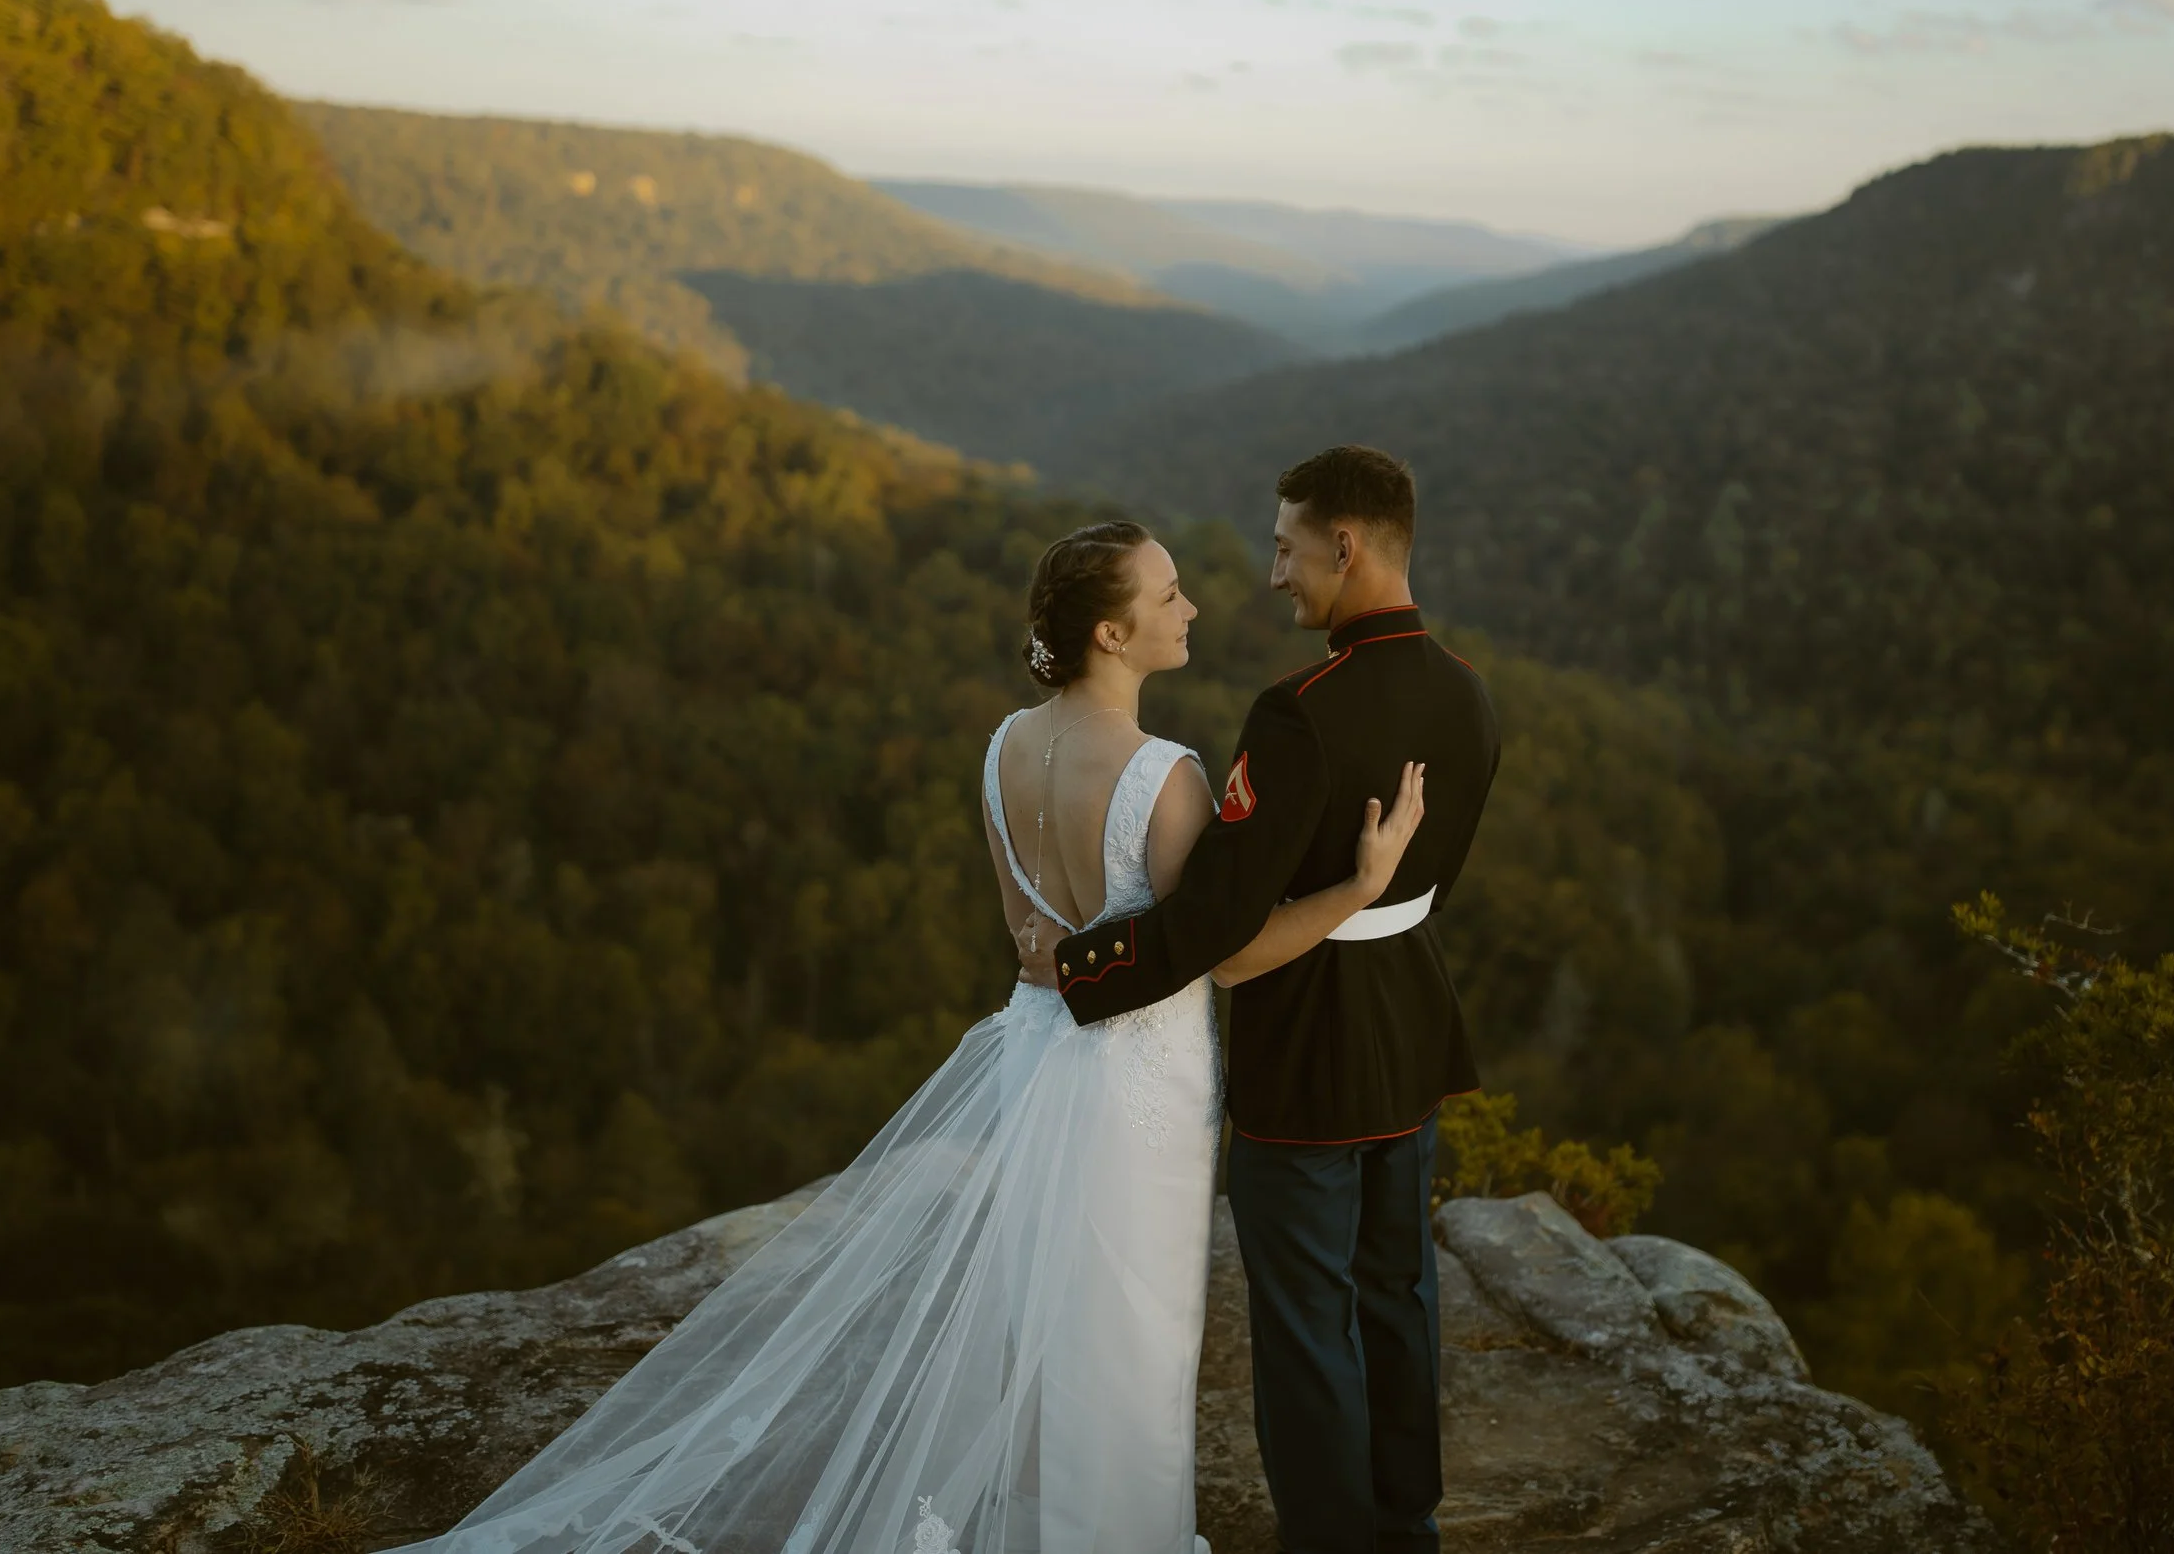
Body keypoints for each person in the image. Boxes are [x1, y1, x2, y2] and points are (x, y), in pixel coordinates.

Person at [386, 518, 1425, 1554]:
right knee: (1130, 1334)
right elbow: (1225, 952)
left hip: (1035, 1046)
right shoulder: (1166, 776)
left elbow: (1028, 933)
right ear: (1111, 634)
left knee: (1046, 1318)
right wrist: (1359, 885)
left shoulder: (1004, 749)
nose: (1190, 606)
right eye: (1166, 595)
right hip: (1136, 1084)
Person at [1039, 449, 1500, 1554]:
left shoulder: (1298, 712)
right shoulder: (1467, 694)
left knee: (1305, 1324)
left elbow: (1215, 922)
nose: (1273, 573)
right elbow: (1428, 882)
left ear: (1345, 545)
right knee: (1399, 1293)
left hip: (1308, 1042)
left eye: (1287, 547)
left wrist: (1080, 968)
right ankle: (1407, 1522)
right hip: (1411, 1028)